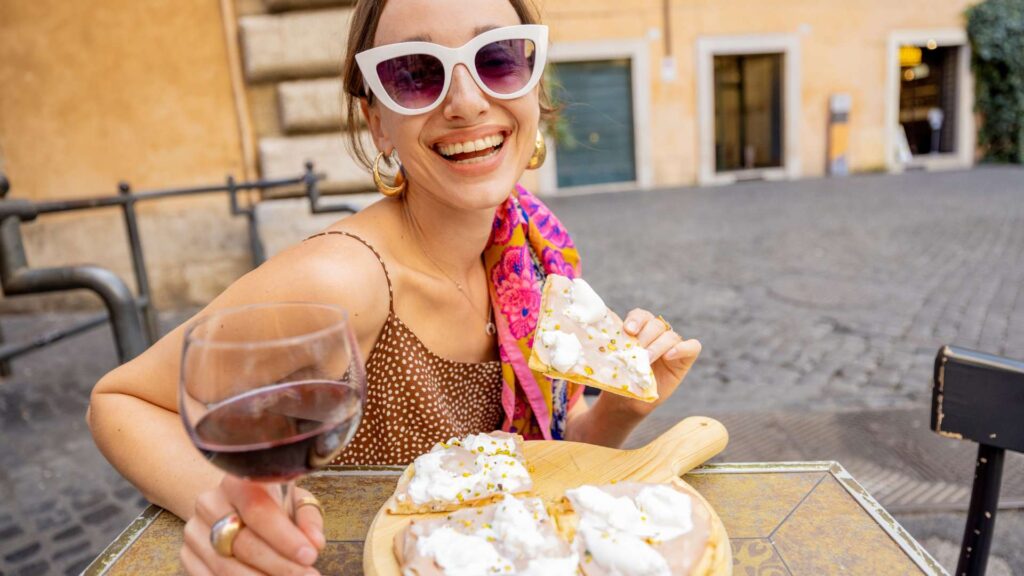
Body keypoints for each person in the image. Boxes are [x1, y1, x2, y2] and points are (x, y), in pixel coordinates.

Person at [87, 0, 702, 573]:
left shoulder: (527, 255)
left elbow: (538, 463)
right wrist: (229, 513)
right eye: (415, 73)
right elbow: (122, 403)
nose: (466, 101)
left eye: (498, 59)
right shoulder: (342, 280)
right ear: (377, 121)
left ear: (532, 86)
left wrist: (618, 412)